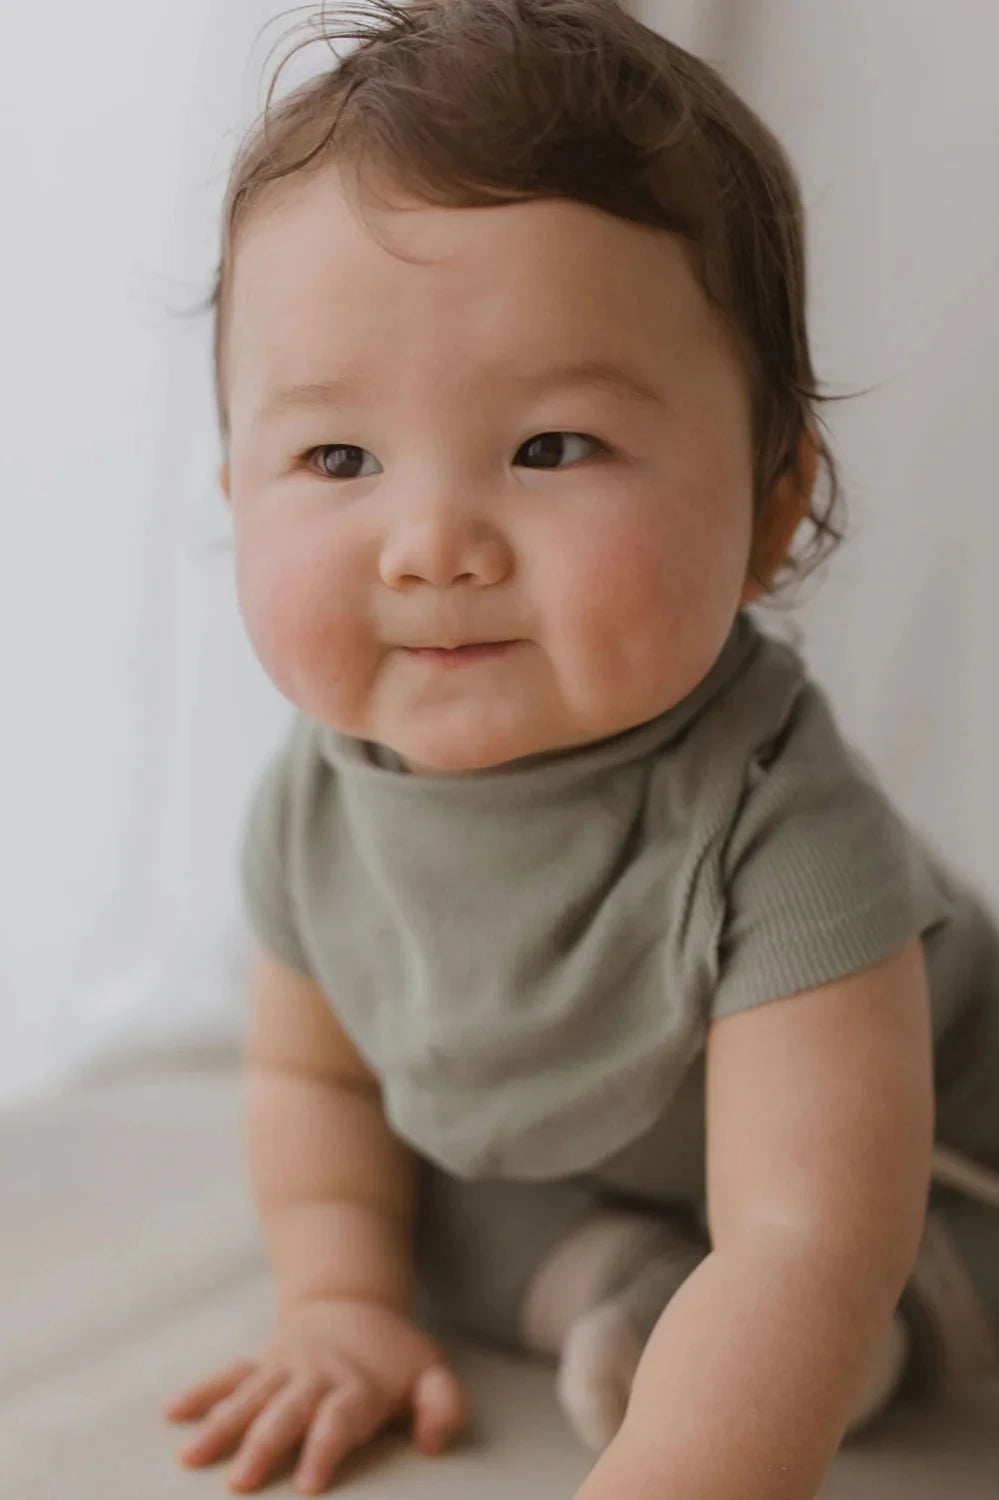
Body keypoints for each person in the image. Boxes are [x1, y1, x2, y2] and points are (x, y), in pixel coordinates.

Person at [162, 2, 999, 1495]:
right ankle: (617, 1281)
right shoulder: (316, 805)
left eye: (553, 447)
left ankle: (756, 1324)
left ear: (769, 508)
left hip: (922, 1168)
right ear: (236, 482)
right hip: (591, 1149)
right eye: (336, 458)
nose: (430, 545)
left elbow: (809, 1235)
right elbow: (318, 1090)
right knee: (421, 1205)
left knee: (879, 1283)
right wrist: (340, 1303)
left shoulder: (781, 832)